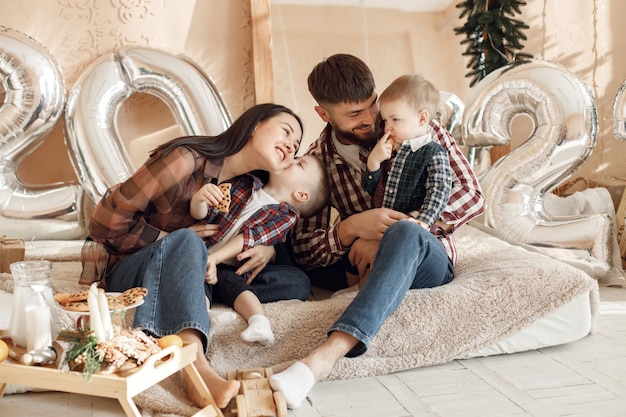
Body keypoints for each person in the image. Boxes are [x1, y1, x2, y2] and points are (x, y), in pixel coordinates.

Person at [269, 54, 485, 408]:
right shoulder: (317, 160)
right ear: (324, 115)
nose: (371, 120)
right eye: (354, 115)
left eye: (372, 106)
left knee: (406, 235)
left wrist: (390, 232)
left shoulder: (415, 126)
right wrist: (349, 230)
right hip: (362, 266)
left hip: (426, 257)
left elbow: (472, 195)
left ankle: (321, 360)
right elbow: (302, 248)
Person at [84, 103, 312, 409]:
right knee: (191, 244)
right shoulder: (186, 158)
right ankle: (197, 371)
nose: (290, 146)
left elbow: (259, 228)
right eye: (286, 132)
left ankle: (197, 292)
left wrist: (268, 248)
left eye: (295, 146)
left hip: (202, 268)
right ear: (255, 125)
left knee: (296, 281)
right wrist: (172, 240)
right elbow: (104, 220)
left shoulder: (249, 185)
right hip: (131, 265)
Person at [189, 154, 329, 345]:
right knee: (199, 279)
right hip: (203, 254)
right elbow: (205, 215)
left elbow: (249, 238)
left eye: (299, 164)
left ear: (301, 195)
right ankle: (203, 317)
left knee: (238, 283)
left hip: (230, 265)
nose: (291, 159)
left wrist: (213, 258)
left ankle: (259, 322)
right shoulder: (247, 183)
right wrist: (199, 200)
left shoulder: (286, 216)